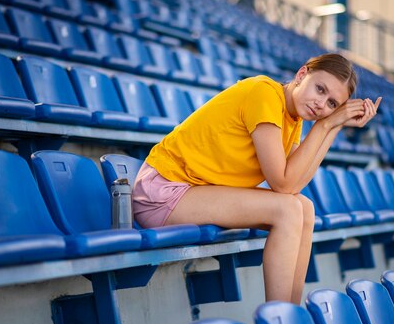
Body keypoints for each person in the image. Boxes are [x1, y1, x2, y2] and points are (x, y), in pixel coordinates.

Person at [133, 53, 381, 304]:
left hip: (194, 191)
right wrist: (324, 126)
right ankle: (280, 318)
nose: (321, 105)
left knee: (304, 208)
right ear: (301, 74)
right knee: (287, 210)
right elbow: (282, 184)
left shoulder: (292, 117)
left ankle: (292, 313)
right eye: (320, 89)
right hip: (163, 192)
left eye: (331, 104)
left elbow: (295, 184)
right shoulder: (265, 94)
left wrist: (332, 126)